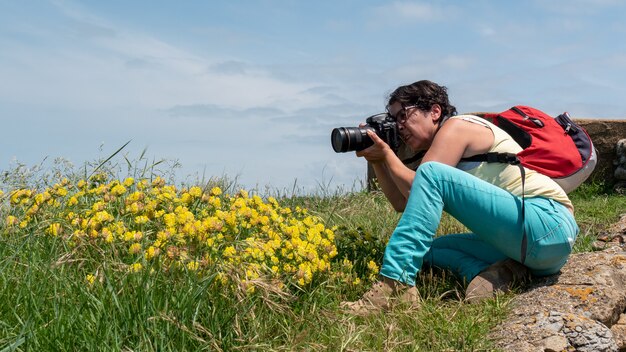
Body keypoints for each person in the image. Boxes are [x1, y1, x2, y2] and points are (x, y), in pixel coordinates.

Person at [341, 80, 579, 315]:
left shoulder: (457, 126)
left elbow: (419, 184)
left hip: (548, 224)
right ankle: (498, 273)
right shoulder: (438, 150)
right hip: (533, 250)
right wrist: (379, 160)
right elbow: (402, 202)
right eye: (394, 120)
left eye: (403, 115)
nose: (399, 126)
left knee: (430, 173)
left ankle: (394, 284)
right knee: (429, 251)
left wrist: (386, 154)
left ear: (435, 111)